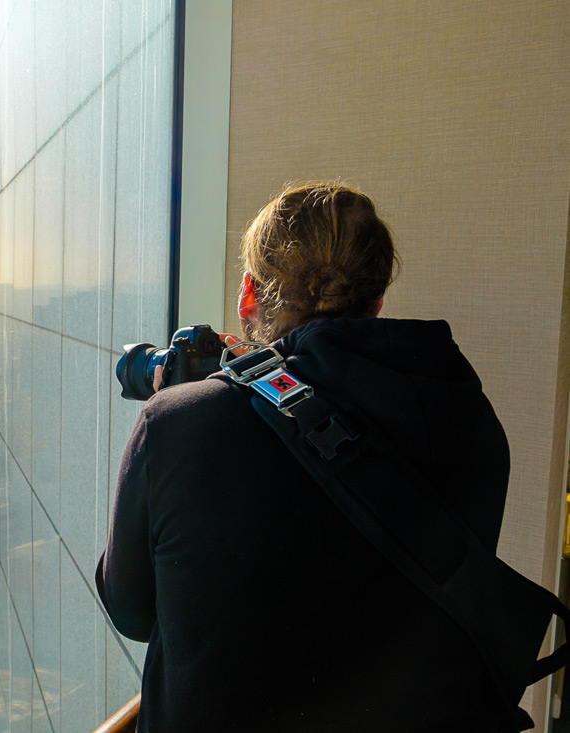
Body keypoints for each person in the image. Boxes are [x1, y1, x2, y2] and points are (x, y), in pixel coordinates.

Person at [96, 182, 510, 731]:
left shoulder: (178, 425)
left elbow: (130, 609)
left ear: (249, 295)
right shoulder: (473, 422)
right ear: (376, 301)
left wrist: (195, 406)